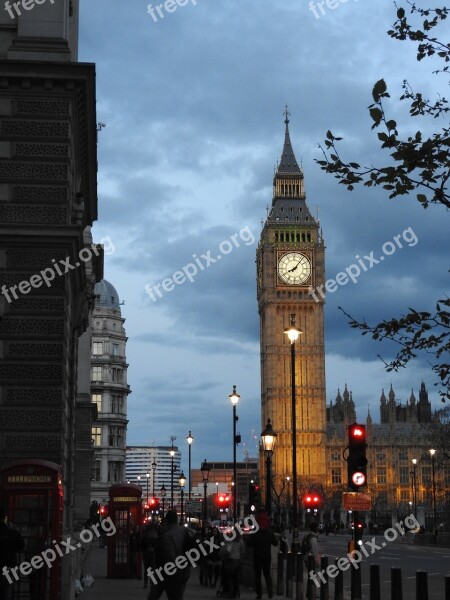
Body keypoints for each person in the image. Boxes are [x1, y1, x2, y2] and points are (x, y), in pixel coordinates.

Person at [148, 510, 196, 600]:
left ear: (166, 521)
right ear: (177, 520)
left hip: (168, 572)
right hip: (184, 571)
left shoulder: (167, 536)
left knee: (154, 596)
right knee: (177, 596)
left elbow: (169, 557)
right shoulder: (186, 531)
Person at [247, 510, 278, 599]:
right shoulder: (269, 532)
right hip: (267, 556)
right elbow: (275, 543)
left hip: (257, 556)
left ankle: (259, 594)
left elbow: (249, 544)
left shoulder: (255, 532)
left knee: (257, 575)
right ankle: (269, 587)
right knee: (267, 574)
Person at [0, 506, 25, 600]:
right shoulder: (11, 532)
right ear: (5, 518)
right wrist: (13, 529)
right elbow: (21, 545)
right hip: (9, 568)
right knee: (7, 593)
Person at [221, 527, 245, 600]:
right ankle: (235, 592)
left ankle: (228, 591)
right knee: (236, 578)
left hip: (228, 561)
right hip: (236, 561)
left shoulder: (227, 540)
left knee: (227, 577)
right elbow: (243, 552)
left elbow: (222, 548)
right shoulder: (241, 541)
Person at [141, 522, 158, 588]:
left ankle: (146, 583)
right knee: (153, 569)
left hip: (146, 554)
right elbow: (158, 546)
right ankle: (153, 583)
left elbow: (142, 545)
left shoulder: (145, 536)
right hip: (153, 554)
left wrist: (144, 551)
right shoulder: (155, 536)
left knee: (146, 569)